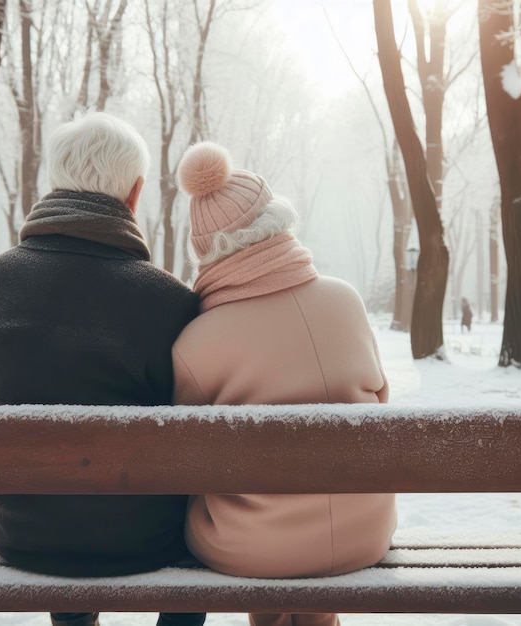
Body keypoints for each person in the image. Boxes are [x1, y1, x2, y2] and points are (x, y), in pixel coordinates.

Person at [0, 112, 205, 626]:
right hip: (145, 541)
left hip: (27, 537)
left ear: (55, 182)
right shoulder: (168, 300)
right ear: (135, 194)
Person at [173, 141, 397, 626]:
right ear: (276, 219)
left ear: (207, 251)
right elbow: (380, 399)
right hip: (364, 532)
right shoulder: (346, 301)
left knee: (241, 517)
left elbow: (183, 453)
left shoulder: (195, 341)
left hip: (254, 547)